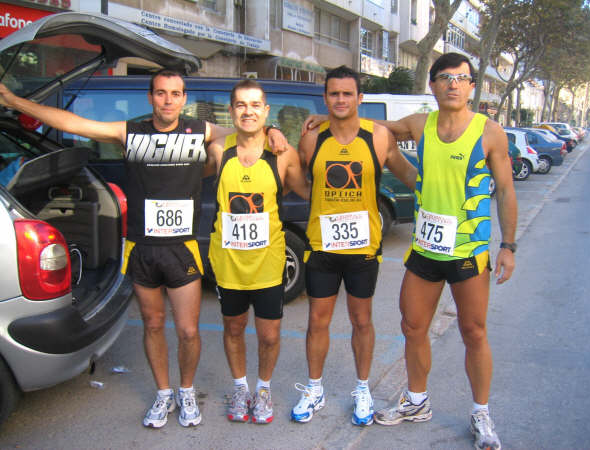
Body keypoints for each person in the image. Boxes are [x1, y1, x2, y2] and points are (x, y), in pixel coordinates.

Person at [0, 69, 287, 429]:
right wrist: (13, 101)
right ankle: (164, 393)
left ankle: (185, 391)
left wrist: (274, 129)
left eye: (175, 93)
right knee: (152, 324)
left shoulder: (201, 131)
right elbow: (76, 122)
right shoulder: (130, 132)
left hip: (182, 247)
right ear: (151, 97)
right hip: (142, 246)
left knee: (188, 331)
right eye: (161, 93)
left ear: (184, 99)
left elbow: (250, 131)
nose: (168, 100)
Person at [366, 53, 516, 450]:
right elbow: (382, 128)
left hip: (468, 251)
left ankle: (481, 412)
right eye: (445, 77)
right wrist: (335, 118)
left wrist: (509, 246)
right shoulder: (421, 124)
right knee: (412, 327)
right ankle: (416, 401)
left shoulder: (489, 132)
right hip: (425, 249)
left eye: (462, 78)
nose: (454, 84)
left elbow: (504, 190)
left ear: (471, 87)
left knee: (474, 331)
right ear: (431, 85)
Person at [291, 66, 417, 426]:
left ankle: (362, 389)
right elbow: (295, 178)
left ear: (359, 98)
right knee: (318, 320)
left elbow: (409, 175)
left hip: (363, 249)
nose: (341, 100)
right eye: (334, 94)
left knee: (362, 320)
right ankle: (314, 389)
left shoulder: (377, 137)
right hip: (322, 247)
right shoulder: (312, 139)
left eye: (348, 93)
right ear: (325, 97)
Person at [205, 79, 309, 424]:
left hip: (268, 262)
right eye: (240, 104)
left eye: (255, 105)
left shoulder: (283, 154)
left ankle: (263, 389)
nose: (248, 111)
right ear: (231, 110)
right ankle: (240, 388)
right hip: (229, 262)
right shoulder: (219, 147)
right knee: (233, 328)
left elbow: (308, 193)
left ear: (266, 110)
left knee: (269, 335)